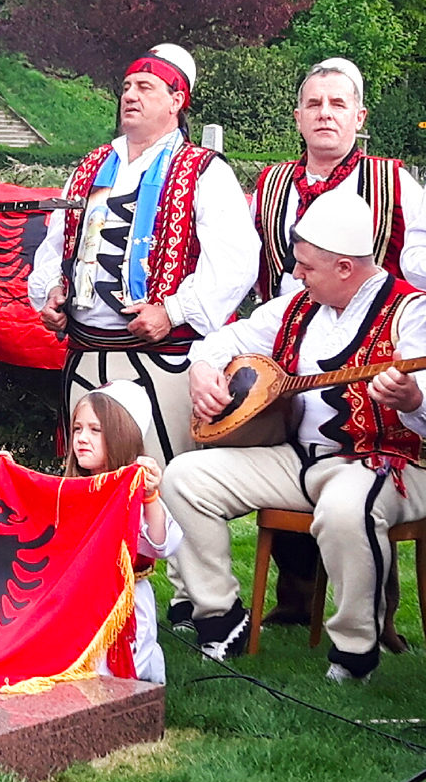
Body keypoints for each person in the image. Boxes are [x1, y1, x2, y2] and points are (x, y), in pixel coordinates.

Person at [163, 189, 426, 681]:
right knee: (186, 477)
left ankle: (354, 652)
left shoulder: (412, 314)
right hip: (297, 460)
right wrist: (203, 368)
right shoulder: (296, 306)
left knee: (348, 507)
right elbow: (224, 340)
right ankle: (220, 617)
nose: (297, 274)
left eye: (307, 266)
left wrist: (412, 400)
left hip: (383, 461)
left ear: (345, 268)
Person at [250, 57, 426, 637]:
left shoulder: (391, 179)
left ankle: (376, 617)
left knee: (357, 471)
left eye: (338, 104)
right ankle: (297, 599)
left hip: (378, 346)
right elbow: (255, 272)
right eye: (315, 104)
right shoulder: (272, 183)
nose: (326, 114)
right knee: (288, 447)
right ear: (298, 116)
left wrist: (403, 331)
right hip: (286, 345)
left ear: (359, 115)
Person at [27, 44, 256, 465]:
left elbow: (235, 262)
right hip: (85, 356)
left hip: (161, 360)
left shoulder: (204, 170)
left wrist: (172, 311)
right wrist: (52, 294)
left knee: (161, 485)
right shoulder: (89, 168)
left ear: (176, 101)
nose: (130, 95)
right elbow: (55, 247)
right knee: (90, 490)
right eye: (127, 86)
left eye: (145, 87)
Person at [65, 381, 177, 685]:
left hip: (124, 606)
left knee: (109, 677)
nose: (82, 439)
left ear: (120, 435)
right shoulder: (71, 490)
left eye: (94, 430)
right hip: (79, 601)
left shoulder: (134, 494)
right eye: (77, 429)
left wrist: (150, 497)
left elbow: (163, 544)